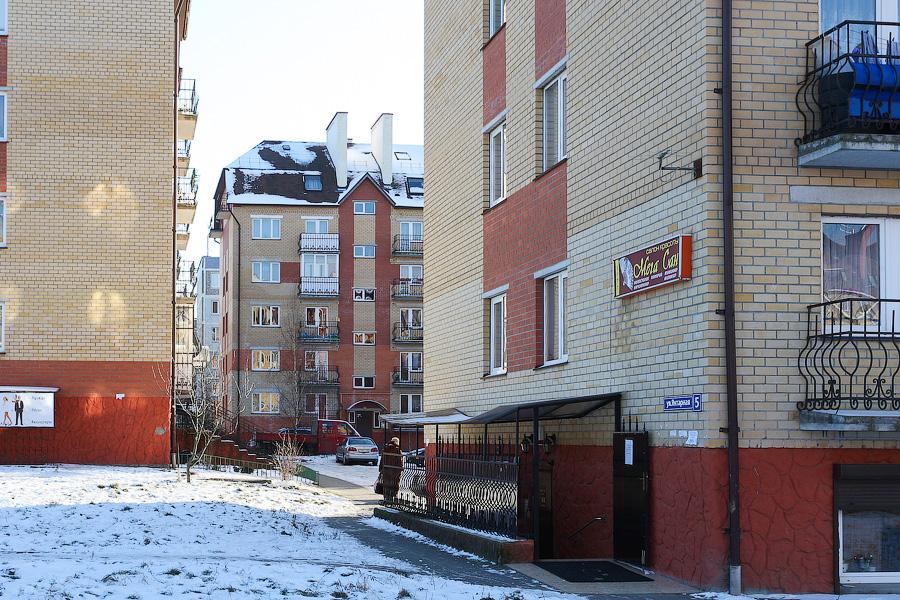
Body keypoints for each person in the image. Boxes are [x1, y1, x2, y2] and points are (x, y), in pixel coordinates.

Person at [378, 436, 403, 503]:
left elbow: (382, 460)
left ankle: (386, 497)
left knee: (386, 483)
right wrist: (401, 469)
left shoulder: (385, 449)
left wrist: (380, 469)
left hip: (386, 470)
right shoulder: (398, 450)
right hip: (395, 471)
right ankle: (393, 497)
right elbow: (400, 462)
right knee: (394, 483)